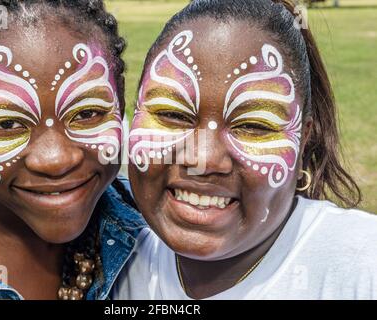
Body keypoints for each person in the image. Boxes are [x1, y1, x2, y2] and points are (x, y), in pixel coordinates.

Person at [114, 0, 377, 300]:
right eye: (173, 115)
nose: (203, 159)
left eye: (254, 126)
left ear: (304, 141)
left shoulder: (362, 266)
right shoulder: (112, 259)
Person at [0, 0, 144, 300]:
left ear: (119, 102)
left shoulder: (154, 236)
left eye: (85, 113)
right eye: (7, 123)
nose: (55, 160)